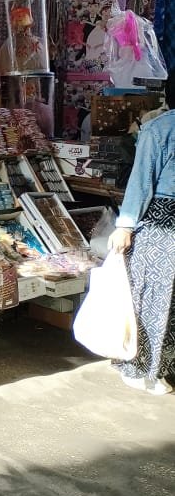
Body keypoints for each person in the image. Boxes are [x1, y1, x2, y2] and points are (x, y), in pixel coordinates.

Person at [107, 76, 175, 396]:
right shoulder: (160, 128)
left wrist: (126, 225)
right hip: (162, 223)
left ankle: (148, 368)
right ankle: (141, 369)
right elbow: (141, 181)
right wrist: (126, 225)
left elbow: (141, 181)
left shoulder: (158, 127)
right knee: (157, 298)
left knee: (155, 298)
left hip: (161, 221)